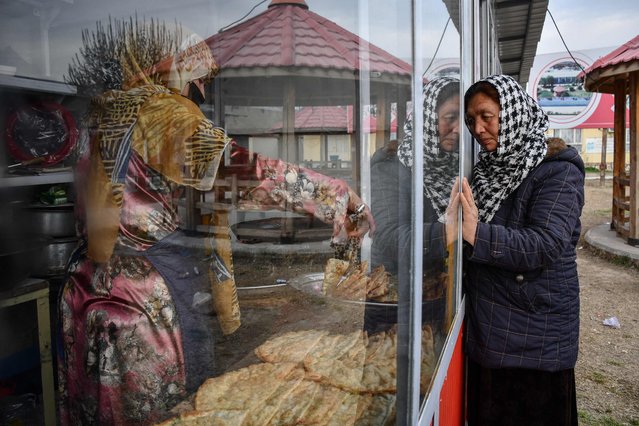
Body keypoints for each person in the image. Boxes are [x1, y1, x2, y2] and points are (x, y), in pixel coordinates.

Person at [58, 24, 373, 425]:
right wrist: (337, 196)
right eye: (196, 75)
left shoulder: (99, 114)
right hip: (137, 307)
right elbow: (237, 173)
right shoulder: (160, 115)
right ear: (168, 65)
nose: (200, 90)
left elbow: (178, 191)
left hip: (83, 294)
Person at [455, 74, 584, 425]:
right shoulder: (487, 171)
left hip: (534, 339)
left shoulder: (557, 170)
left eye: (487, 116)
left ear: (512, 113)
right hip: (492, 332)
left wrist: (476, 235)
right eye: (471, 120)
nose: (478, 128)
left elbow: (546, 243)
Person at [366, 76, 460, 336]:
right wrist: (446, 232)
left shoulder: (457, 163)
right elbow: (388, 236)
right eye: (449, 117)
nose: (458, 128)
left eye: (462, 119)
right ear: (427, 118)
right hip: (395, 302)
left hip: (438, 297)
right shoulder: (390, 166)